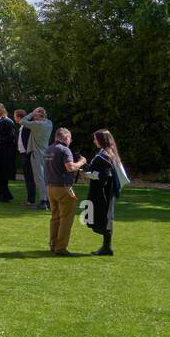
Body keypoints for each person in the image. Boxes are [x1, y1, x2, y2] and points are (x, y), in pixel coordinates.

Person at [45, 127, 87, 256]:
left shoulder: (48, 149)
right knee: (66, 219)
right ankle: (61, 248)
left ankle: (53, 244)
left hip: (50, 187)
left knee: (55, 217)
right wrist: (81, 162)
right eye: (70, 139)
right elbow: (70, 167)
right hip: (64, 188)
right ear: (66, 138)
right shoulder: (65, 149)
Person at [85, 129, 125, 257]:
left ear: (101, 140)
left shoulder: (104, 155)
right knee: (105, 217)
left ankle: (107, 247)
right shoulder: (109, 153)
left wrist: (85, 174)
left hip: (103, 192)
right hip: (106, 191)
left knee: (105, 217)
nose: (94, 141)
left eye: (96, 139)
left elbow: (102, 176)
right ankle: (106, 246)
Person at [20, 107, 54, 210]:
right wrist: (38, 112)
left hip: (37, 154)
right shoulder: (49, 123)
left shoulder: (36, 125)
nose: (34, 118)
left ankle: (44, 201)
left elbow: (22, 121)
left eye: (36, 116)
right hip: (46, 153)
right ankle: (48, 200)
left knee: (39, 178)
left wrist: (31, 113)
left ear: (39, 116)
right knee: (45, 178)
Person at [14, 109, 36, 206]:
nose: (14, 118)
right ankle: (30, 199)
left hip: (27, 155)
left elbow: (28, 142)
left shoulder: (26, 127)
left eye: (15, 116)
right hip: (23, 154)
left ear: (19, 117)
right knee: (28, 178)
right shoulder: (22, 127)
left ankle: (31, 200)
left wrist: (28, 154)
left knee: (30, 178)